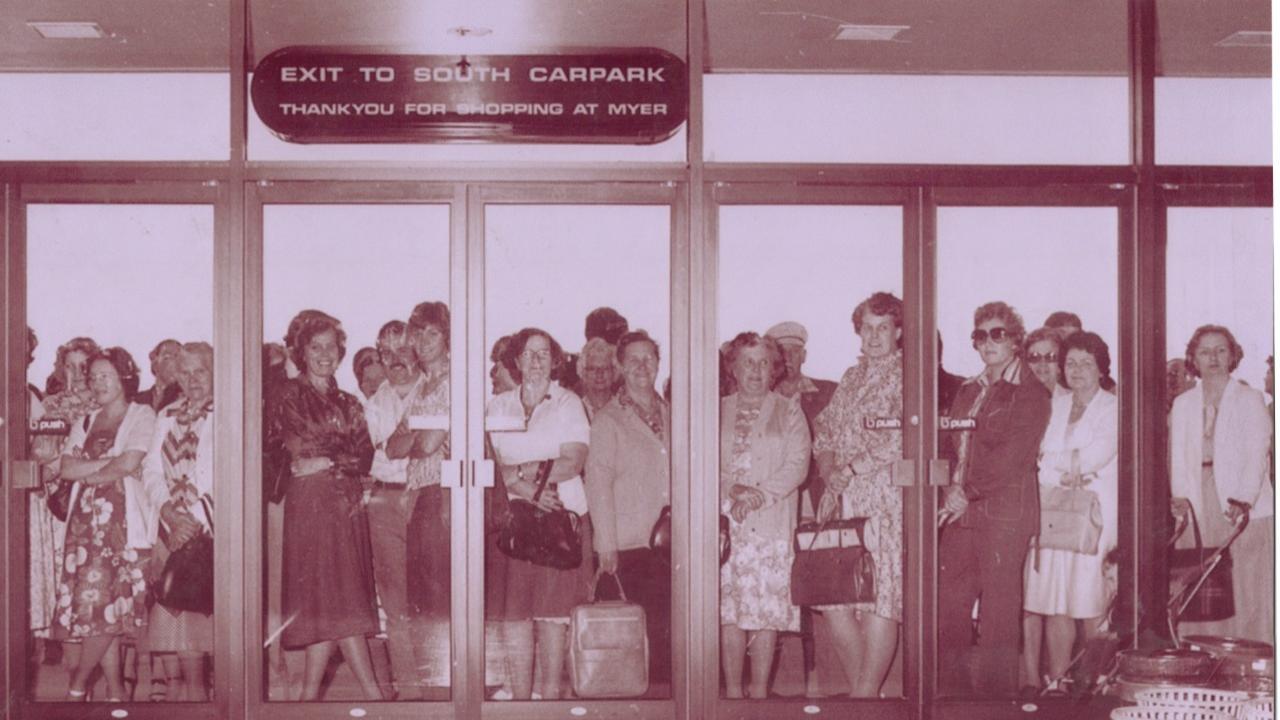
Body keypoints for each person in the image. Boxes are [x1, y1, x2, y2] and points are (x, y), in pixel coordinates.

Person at [264, 309, 382, 701]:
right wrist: (336, 455)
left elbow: (363, 456)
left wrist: (328, 460)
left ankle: (306, 702)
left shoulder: (349, 401)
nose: (324, 354)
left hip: (345, 508)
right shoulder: (289, 396)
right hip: (312, 509)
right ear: (301, 351)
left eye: (331, 346)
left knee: (330, 604)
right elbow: (299, 451)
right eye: (315, 347)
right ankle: (375, 698)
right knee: (339, 603)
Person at [937, 302, 1051, 696]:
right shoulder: (969, 390)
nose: (987, 342)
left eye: (997, 333)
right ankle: (950, 697)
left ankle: (995, 702)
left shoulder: (1030, 392)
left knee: (998, 613)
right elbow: (951, 448)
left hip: (1003, 512)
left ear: (1016, 340)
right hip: (960, 512)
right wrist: (949, 493)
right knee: (948, 604)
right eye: (980, 335)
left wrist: (964, 493)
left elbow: (1012, 458)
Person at [486, 328, 592, 700]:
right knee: (514, 616)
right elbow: (488, 464)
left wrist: (521, 471)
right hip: (514, 520)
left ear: (555, 359)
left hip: (559, 519)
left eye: (543, 353)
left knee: (551, 617)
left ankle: (548, 704)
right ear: (515, 361)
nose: (535, 361)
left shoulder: (567, 403)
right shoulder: (498, 405)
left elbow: (573, 460)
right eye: (528, 354)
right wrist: (527, 488)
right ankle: (519, 702)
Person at [811, 292, 905, 698]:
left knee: (880, 597)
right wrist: (830, 468)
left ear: (899, 331)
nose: (874, 335)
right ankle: (866, 696)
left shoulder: (908, 375)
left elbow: (903, 436)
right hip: (840, 500)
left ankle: (863, 699)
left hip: (882, 500)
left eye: (883, 327)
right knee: (835, 600)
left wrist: (850, 468)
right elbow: (825, 430)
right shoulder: (850, 377)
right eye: (867, 327)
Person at [54, 347, 158, 701]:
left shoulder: (141, 414)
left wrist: (93, 469)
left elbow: (128, 464)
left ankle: (77, 685)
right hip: (83, 524)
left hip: (119, 525)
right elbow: (66, 468)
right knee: (98, 611)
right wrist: (104, 465)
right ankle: (115, 692)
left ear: (124, 378)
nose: (96, 383)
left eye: (105, 376)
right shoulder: (86, 419)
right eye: (93, 377)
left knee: (107, 607)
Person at [1020, 332, 1118, 696]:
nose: (1076, 370)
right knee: (1056, 598)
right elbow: (1038, 457)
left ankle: (1097, 681)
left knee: (1091, 599)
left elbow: (1097, 458)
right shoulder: (1054, 405)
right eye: (1071, 363)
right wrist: (1069, 465)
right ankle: (1058, 681)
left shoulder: (1113, 408)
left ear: (1101, 368)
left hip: (1096, 516)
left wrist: (1058, 463)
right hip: (1055, 513)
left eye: (1086, 363)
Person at [719, 332, 810, 699]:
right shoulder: (717, 409)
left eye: (762, 363)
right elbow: (701, 459)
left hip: (770, 524)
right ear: (733, 368)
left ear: (773, 369)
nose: (755, 370)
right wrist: (730, 489)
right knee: (729, 611)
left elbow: (798, 465)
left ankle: (758, 698)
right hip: (726, 527)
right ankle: (733, 697)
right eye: (747, 362)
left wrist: (757, 496)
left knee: (765, 612)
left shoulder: (788, 409)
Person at [1169, 324, 1273, 643]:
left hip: (1241, 504)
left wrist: (1243, 499)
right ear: (1193, 359)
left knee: (1244, 583)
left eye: (1220, 350)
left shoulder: (1250, 398)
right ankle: (1201, 655)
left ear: (1232, 356)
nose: (1213, 357)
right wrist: (1179, 498)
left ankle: (1251, 658)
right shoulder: (1183, 403)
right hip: (1197, 502)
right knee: (1201, 581)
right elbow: (1176, 454)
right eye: (1204, 351)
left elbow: (1258, 454)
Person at [584, 330, 672, 691]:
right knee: (638, 642)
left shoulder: (674, 414)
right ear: (620, 366)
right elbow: (598, 483)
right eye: (633, 359)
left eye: (648, 358)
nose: (641, 366)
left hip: (673, 545)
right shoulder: (608, 419)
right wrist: (606, 544)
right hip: (629, 546)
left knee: (669, 637)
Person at [142, 342, 216, 701]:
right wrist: (170, 514)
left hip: (211, 534)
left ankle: (202, 706)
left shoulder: (229, 413)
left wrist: (194, 519)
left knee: (196, 648)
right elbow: (151, 470)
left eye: (200, 371)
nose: (192, 379)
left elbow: (229, 474)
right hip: (171, 531)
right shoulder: (167, 415)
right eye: (184, 372)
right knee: (176, 642)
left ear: (214, 372)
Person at [359, 320, 425, 699]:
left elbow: (404, 444)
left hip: (424, 496)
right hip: (386, 501)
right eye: (387, 353)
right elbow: (390, 450)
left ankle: (443, 689)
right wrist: (422, 432)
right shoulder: (375, 402)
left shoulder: (435, 388)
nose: (396, 359)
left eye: (402, 350)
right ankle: (411, 693)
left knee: (432, 598)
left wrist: (410, 438)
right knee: (396, 603)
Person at [392, 302, 453, 693]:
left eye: (432, 333)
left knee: (440, 600)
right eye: (419, 334)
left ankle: (450, 695)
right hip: (417, 498)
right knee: (422, 600)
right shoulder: (419, 386)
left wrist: (414, 438)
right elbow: (392, 447)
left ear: (447, 338)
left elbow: (429, 441)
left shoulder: (454, 380)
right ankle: (436, 693)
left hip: (444, 496)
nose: (424, 341)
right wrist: (416, 438)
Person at [31, 336, 102, 667]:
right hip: (55, 502)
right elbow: (39, 453)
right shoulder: (49, 405)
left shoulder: (103, 404)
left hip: (89, 495)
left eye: (82, 367)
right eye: (69, 366)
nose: (75, 373)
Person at [766, 321, 837, 516]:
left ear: (804, 356)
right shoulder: (764, 398)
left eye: (795, 351)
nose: (788, 358)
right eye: (782, 352)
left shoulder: (829, 393)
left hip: (818, 495)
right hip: (775, 497)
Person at [577, 337, 619, 421]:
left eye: (605, 368)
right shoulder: (575, 410)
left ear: (614, 372)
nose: (599, 374)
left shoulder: (625, 410)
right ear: (583, 373)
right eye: (593, 368)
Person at [136, 339, 183, 412]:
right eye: (167, 357)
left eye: (180, 358)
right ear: (155, 365)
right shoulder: (137, 400)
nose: (176, 362)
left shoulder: (187, 399)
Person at [1024, 327, 1071, 399]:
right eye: (1035, 357)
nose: (1042, 363)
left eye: (1050, 357)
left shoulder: (1073, 402)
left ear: (1060, 365)